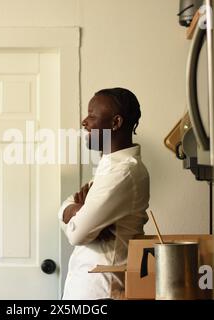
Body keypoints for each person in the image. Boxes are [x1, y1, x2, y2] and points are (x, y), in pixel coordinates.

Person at [58, 87, 150, 299]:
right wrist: (74, 209)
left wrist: (78, 215)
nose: (84, 122)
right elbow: (65, 207)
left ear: (115, 123)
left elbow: (76, 234)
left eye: (92, 115)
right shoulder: (109, 168)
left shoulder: (124, 171)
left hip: (102, 293)